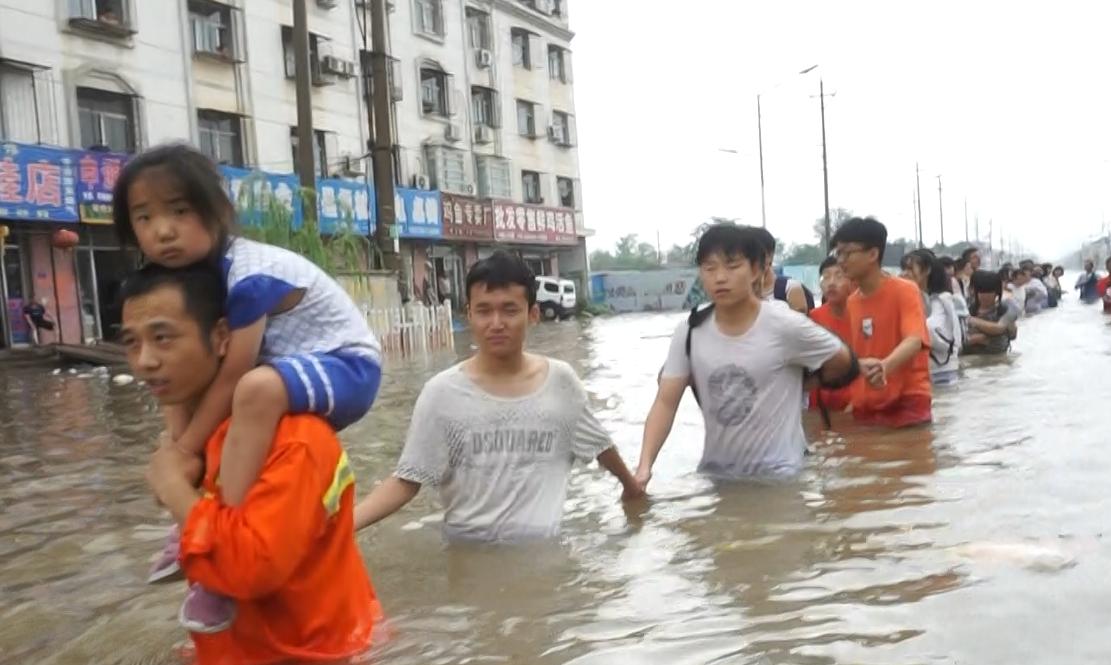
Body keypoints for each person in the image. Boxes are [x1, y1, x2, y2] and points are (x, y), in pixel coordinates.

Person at [112, 143, 382, 634]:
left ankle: (217, 526)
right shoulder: (204, 284)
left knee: (256, 387)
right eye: (144, 218)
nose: (163, 230)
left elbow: (236, 374)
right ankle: (197, 532)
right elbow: (186, 395)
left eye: (178, 210)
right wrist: (180, 453)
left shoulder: (247, 276)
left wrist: (180, 466)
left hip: (347, 365)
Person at [120, 262, 379, 665]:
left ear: (223, 336)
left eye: (163, 338)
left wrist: (172, 487)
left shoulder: (295, 440)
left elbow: (250, 569)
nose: (145, 361)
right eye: (131, 343)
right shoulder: (196, 439)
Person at [354, 254, 642, 540]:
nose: (496, 323)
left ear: (533, 315)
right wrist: (341, 526)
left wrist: (632, 488)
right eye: (483, 311)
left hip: (545, 560)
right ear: (469, 315)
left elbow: (600, 446)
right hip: (469, 556)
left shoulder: (561, 382)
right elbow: (408, 480)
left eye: (509, 310)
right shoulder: (441, 393)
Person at [637, 224, 857, 482]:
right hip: (718, 474)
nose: (720, 277)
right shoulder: (689, 331)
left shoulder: (784, 324)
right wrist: (644, 467)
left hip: (781, 474)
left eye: (731, 266)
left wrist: (801, 383)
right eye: (710, 268)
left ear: (755, 270)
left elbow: (844, 361)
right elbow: (665, 402)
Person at [833, 217, 932, 427]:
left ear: (873, 254)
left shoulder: (905, 290)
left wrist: (885, 367)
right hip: (867, 405)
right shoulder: (851, 302)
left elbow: (914, 341)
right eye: (838, 253)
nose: (841, 260)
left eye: (847, 253)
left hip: (908, 403)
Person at [901, 249, 961, 387]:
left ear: (927, 270)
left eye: (910, 269)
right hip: (926, 372)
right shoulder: (918, 297)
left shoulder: (942, 300)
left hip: (942, 373)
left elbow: (936, 332)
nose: (905, 274)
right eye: (904, 269)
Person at [808, 255, 855, 413]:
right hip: (820, 404)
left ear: (852, 281)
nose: (831, 282)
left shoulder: (863, 314)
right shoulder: (813, 317)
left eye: (839, 276)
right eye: (826, 277)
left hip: (855, 403)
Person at [751, 227, 813, 313]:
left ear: (770, 256)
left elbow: (797, 324)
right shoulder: (741, 290)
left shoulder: (790, 288)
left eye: (755, 256)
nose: (751, 262)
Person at [962, 270, 1021, 355]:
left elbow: (1004, 333)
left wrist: (972, 321)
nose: (986, 296)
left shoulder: (1006, 308)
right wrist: (974, 339)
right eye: (982, 291)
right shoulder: (965, 309)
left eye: (990, 291)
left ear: (997, 291)